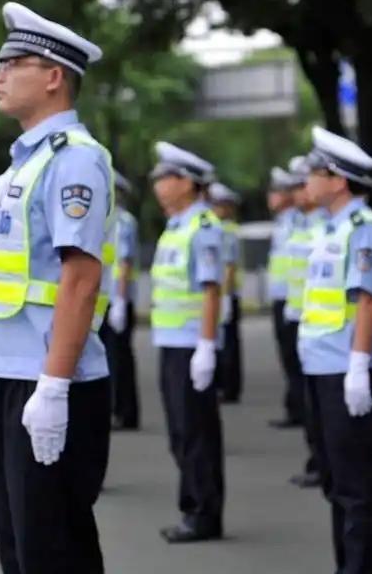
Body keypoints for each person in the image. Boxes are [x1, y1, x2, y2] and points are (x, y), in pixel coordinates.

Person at [0, 2, 115, 574]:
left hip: (48, 377)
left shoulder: (74, 160)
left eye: (13, 62)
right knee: (20, 545)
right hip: (9, 374)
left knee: (52, 548)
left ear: (54, 76)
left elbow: (80, 280)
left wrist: (54, 386)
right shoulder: (21, 165)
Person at [299, 126, 372, 574]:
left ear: (338, 179)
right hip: (320, 369)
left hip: (345, 372)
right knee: (336, 483)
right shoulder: (327, 229)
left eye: (315, 171)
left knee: (357, 488)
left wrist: (358, 366)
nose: (306, 181)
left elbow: (367, 300)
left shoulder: (365, 228)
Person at [149, 141, 226, 542]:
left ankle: (203, 513)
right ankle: (192, 506)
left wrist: (206, 347)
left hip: (192, 345)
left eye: (167, 177)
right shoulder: (175, 228)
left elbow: (212, 290)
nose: (159, 184)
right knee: (181, 432)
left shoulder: (203, 228)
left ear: (187, 183)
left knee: (196, 433)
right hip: (171, 342)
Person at [286, 155, 325, 488]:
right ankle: (318, 461)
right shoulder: (303, 224)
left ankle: (321, 462)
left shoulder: (328, 225)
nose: (300, 192)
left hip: (328, 333)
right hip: (303, 320)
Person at [265, 166, 303, 429]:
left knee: (295, 359)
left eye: (276, 191)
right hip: (281, 299)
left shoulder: (296, 222)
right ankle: (294, 407)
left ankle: (299, 409)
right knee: (288, 359)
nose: (271, 196)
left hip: (293, 300)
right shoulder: (283, 223)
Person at [102, 168, 140, 431]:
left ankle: (125, 411)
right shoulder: (106, 220)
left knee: (119, 358)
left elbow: (124, 264)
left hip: (119, 299)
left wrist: (119, 300)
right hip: (107, 298)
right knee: (110, 357)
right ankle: (117, 408)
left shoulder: (122, 222)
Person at [209, 181, 244, 403]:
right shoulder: (217, 228)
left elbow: (229, 267)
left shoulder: (227, 230)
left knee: (229, 345)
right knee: (220, 343)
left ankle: (230, 387)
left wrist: (226, 298)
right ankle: (222, 383)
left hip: (226, 295)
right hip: (220, 294)